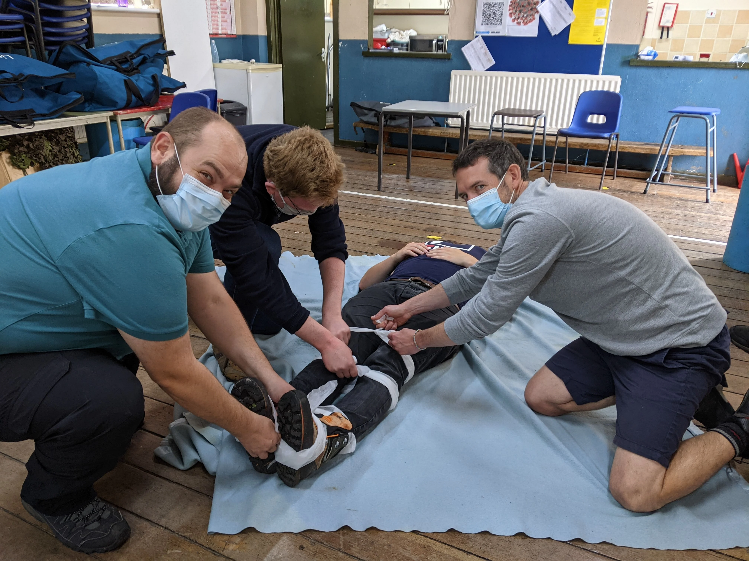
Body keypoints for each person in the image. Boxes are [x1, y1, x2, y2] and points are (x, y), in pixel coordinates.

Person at [373, 138, 749, 513]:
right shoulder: (527, 214)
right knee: (542, 397)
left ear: (513, 176)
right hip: (621, 339)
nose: (472, 202)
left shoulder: (540, 220)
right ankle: (677, 398)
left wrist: (419, 339)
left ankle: (740, 426)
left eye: (479, 188)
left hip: (680, 345)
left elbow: (487, 313)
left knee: (635, 493)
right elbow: (477, 277)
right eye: (465, 194)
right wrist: (408, 307)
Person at [0, 108, 295, 553]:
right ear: (163, 148)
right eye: (208, 176)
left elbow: (209, 297)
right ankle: (54, 497)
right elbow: (174, 372)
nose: (215, 196)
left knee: (137, 338)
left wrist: (272, 382)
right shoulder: (131, 228)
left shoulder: (165, 190)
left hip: (28, 317)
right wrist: (252, 430)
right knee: (110, 401)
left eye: (229, 190)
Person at [230, 239, 485, 486]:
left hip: (442, 303)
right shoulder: (426, 243)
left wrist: (469, 262)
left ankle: (326, 438)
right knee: (343, 350)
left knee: (391, 362)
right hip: (388, 290)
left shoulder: (485, 255)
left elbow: (500, 295)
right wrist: (397, 256)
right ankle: (274, 417)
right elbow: (365, 283)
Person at [210, 125, 358, 380]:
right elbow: (253, 270)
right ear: (272, 189)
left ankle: (239, 311)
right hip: (196, 214)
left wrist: (331, 315)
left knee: (270, 323)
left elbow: (330, 242)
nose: (311, 214)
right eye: (303, 211)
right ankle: (228, 343)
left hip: (250, 212)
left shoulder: (314, 165)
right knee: (265, 245)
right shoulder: (233, 181)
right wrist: (326, 343)